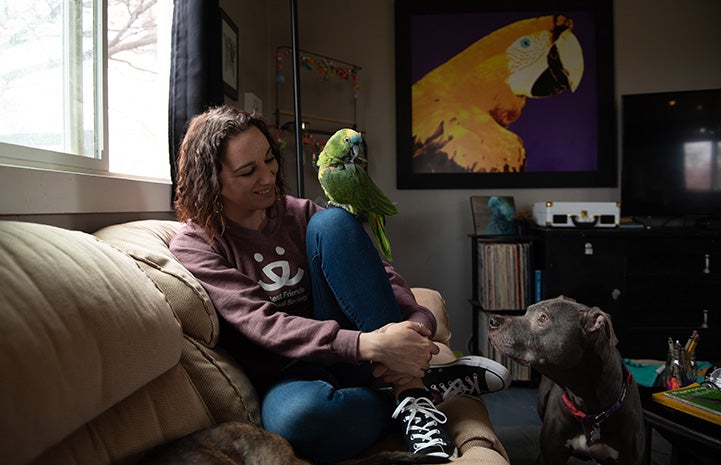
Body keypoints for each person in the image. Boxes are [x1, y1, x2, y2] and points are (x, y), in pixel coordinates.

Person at [169, 105, 508, 463]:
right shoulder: (197, 244)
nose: (268, 177)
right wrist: (366, 344)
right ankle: (428, 392)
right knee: (301, 420)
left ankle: (412, 393)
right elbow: (262, 322)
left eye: (269, 160)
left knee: (334, 222)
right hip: (289, 372)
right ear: (210, 180)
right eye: (248, 171)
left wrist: (415, 323)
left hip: (362, 353)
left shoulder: (300, 214)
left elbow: (379, 272)